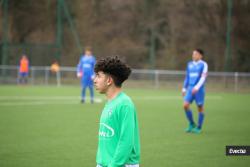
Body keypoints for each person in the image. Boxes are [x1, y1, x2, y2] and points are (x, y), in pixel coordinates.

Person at [94, 56, 140, 167]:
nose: (94, 80)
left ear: (109, 80)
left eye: (98, 76)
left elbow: (126, 142)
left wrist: (114, 165)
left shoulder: (124, 104)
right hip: (105, 163)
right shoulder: (110, 103)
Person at [182, 49, 208, 134]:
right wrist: (184, 88)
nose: (194, 55)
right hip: (190, 88)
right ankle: (192, 123)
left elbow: (203, 78)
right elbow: (187, 77)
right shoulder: (189, 64)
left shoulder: (204, 64)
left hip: (199, 90)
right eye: (193, 54)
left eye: (196, 54)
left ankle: (199, 127)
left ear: (201, 55)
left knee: (200, 107)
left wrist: (197, 87)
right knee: (185, 105)